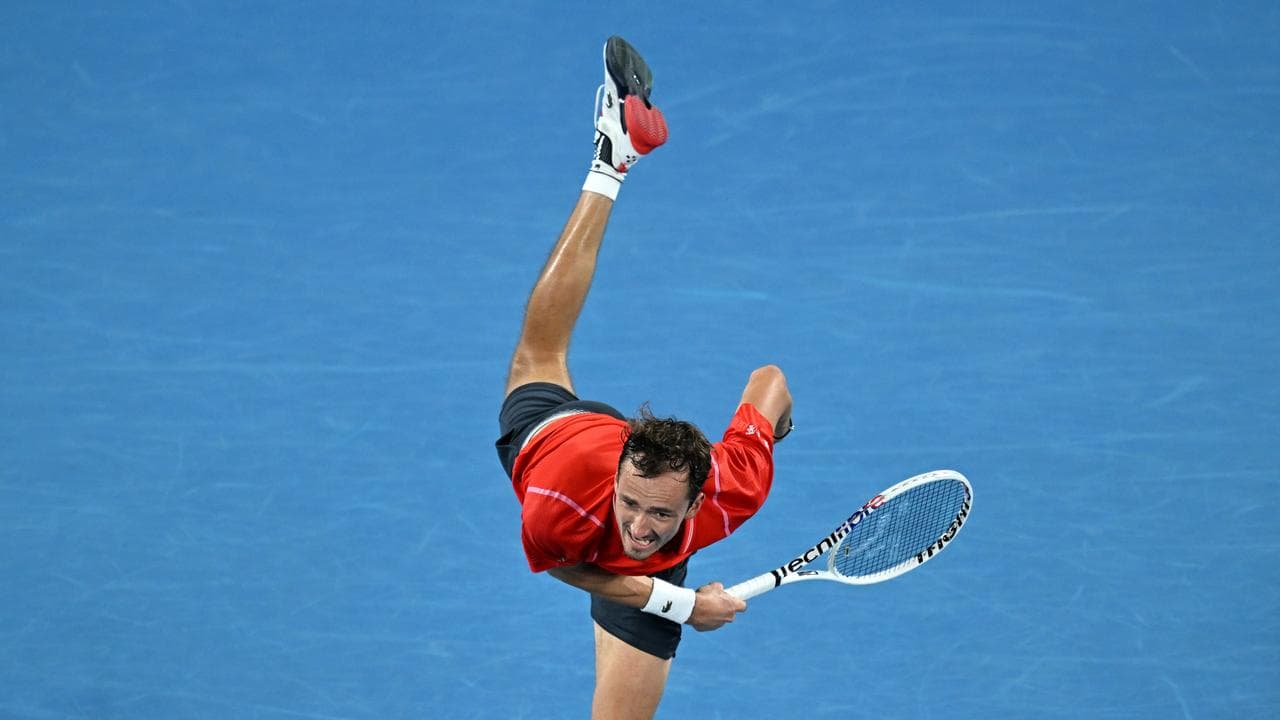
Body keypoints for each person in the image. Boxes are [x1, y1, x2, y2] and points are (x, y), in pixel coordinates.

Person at [494, 36, 794, 720]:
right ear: (622, 474)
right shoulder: (560, 501)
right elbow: (566, 565)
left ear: (695, 506)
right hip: (560, 436)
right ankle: (611, 159)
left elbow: (769, 379)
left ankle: (612, 154)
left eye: (660, 513)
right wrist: (680, 603)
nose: (637, 525)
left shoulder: (728, 490)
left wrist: (779, 417)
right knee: (539, 354)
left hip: (645, 508)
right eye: (631, 503)